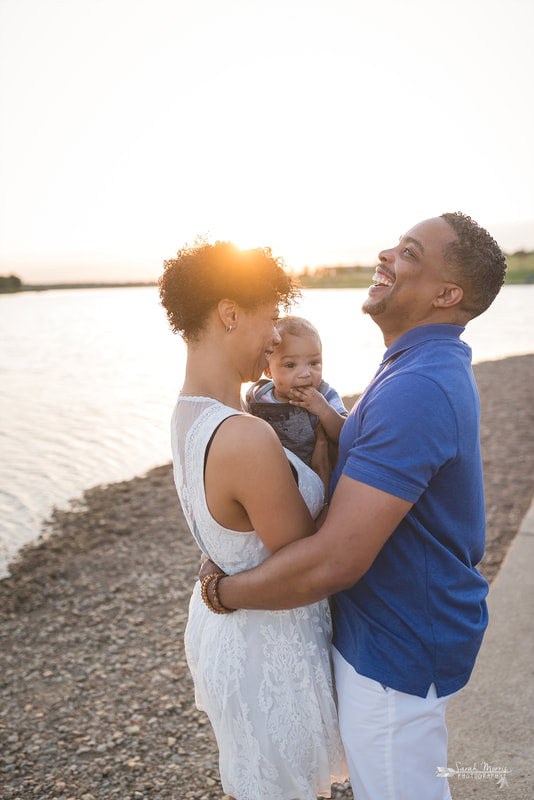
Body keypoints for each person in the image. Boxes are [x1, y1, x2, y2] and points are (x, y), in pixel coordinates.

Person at [201, 213, 508, 800]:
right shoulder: (412, 365)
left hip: (399, 645)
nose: (387, 254)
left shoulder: (418, 386)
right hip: (393, 628)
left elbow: (336, 560)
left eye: (410, 254)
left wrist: (223, 592)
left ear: (448, 294)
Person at [158, 240, 347, 800]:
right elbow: (309, 564)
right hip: (270, 651)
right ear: (230, 313)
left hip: (235, 640)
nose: (275, 336)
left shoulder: (190, 413)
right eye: (269, 317)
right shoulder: (244, 433)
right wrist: (325, 467)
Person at [245, 315, 347, 468]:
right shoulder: (258, 396)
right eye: (291, 365)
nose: (305, 373)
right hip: (273, 471)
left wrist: (324, 410)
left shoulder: (325, 394)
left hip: (316, 473)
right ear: (268, 370)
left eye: (313, 363)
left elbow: (344, 434)